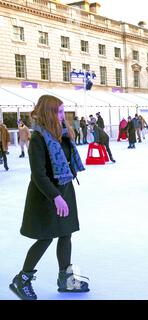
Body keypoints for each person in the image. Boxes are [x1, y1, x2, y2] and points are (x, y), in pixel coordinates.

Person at [9, 95, 89, 300]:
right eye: (59, 112)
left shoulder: (61, 134)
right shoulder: (38, 137)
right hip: (46, 195)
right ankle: (22, 279)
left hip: (64, 189)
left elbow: (66, 161)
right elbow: (38, 174)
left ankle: (65, 280)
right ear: (48, 113)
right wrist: (55, 197)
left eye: (63, 111)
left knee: (66, 233)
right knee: (45, 237)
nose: (64, 115)